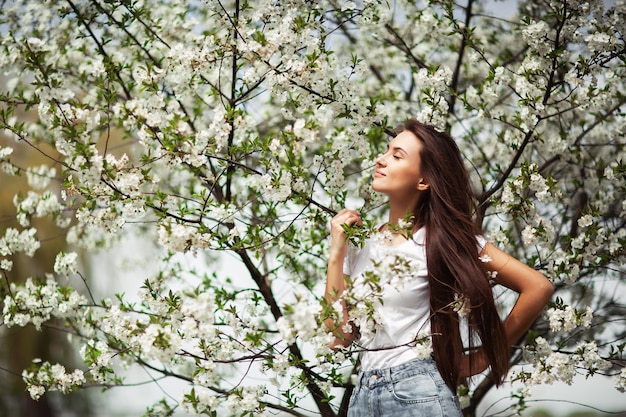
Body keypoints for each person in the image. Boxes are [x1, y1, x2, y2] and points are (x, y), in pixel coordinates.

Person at [323, 118, 554, 417]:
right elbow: (337, 338)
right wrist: (336, 253)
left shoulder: (443, 241)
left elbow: (538, 286)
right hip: (362, 397)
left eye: (397, 155)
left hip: (419, 393)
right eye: (386, 150)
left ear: (423, 181)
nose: (381, 160)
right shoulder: (359, 244)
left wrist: (484, 357)